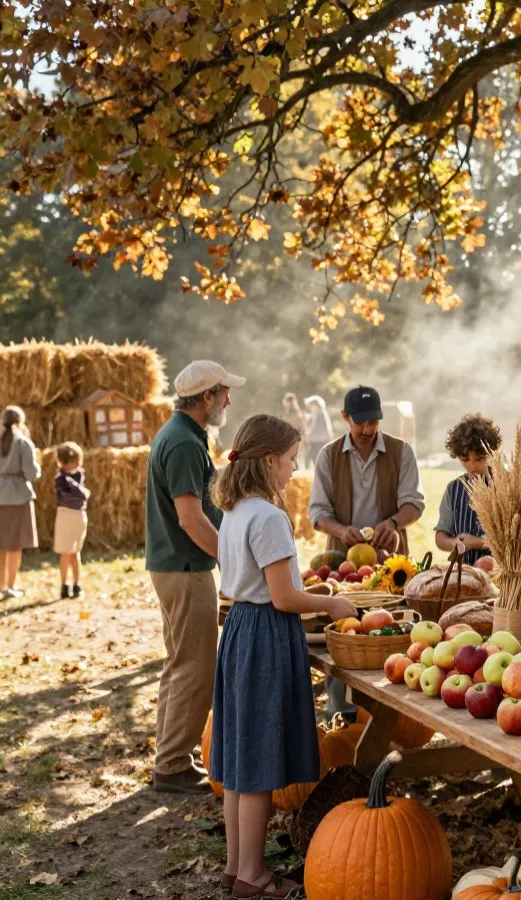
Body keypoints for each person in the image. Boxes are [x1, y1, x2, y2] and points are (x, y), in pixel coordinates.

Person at [209, 415, 357, 898]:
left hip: (238, 630)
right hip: (265, 636)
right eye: (292, 458)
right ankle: (254, 875)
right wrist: (333, 602)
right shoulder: (269, 517)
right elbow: (284, 599)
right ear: (270, 459)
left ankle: (237, 866)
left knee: (239, 762)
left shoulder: (235, 511)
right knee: (256, 765)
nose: (295, 468)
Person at [146, 360, 244, 793]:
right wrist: (231, 556)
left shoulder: (182, 435)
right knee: (197, 667)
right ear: (206, 397)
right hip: (185, 568)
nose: (228, 399)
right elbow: (190, 518)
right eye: (223, 392)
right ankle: (171, 767)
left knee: (180, 663)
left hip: (172, 566)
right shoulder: (184, 443)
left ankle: (171, 756)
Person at [308, 384, 424, 720]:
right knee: (344, 633)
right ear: (345, 418)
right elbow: (317, 513)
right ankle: (340, 710)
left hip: (392, 562)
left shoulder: (402, 452)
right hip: (342, 566)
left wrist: (393, 522)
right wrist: (342, 531)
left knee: (388, 631)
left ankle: (389, 714)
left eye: (373, 421)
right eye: (360, 422)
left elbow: (414, 504)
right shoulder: (328, 456)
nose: (368, 429)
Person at [434, 413, 499, 570]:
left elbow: (518, 540)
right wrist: (454, 543)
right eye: (465, 460)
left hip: (503, 576)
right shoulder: (453, 489)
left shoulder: (507, 487)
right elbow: (440, 537)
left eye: (479, 459)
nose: (471, 466)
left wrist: (477, 542)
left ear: (491, 453)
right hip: (464, 576)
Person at [0, 406, 40, 599]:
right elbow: (32, 474)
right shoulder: (23, 442)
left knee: (1, 545)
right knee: (14, 545)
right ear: (20, 421)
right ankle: (10, 586)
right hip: (17, 496)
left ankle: (0, 587)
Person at [54, 441, 90, 600]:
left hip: (78, 515)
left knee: (75, 552)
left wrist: (81, 491)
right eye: (70, 463)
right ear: (62, 463)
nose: (74, 466)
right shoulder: (61, 479)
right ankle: (64, 584)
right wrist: (81, 491)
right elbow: (80, 493)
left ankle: (77, 584)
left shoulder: (79, 475)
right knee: (65, 552)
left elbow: (82, 493)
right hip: (65, 514)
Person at [303, 395, 333, 468]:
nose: (311, 406)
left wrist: (308, 433)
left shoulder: (318, 412)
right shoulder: (321, 411)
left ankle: (315, 469)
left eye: (312, 404)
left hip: (318, 438)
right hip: (321, 437)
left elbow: (313, 425)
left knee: (315, 455)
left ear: (316, 404)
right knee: (316, 454)